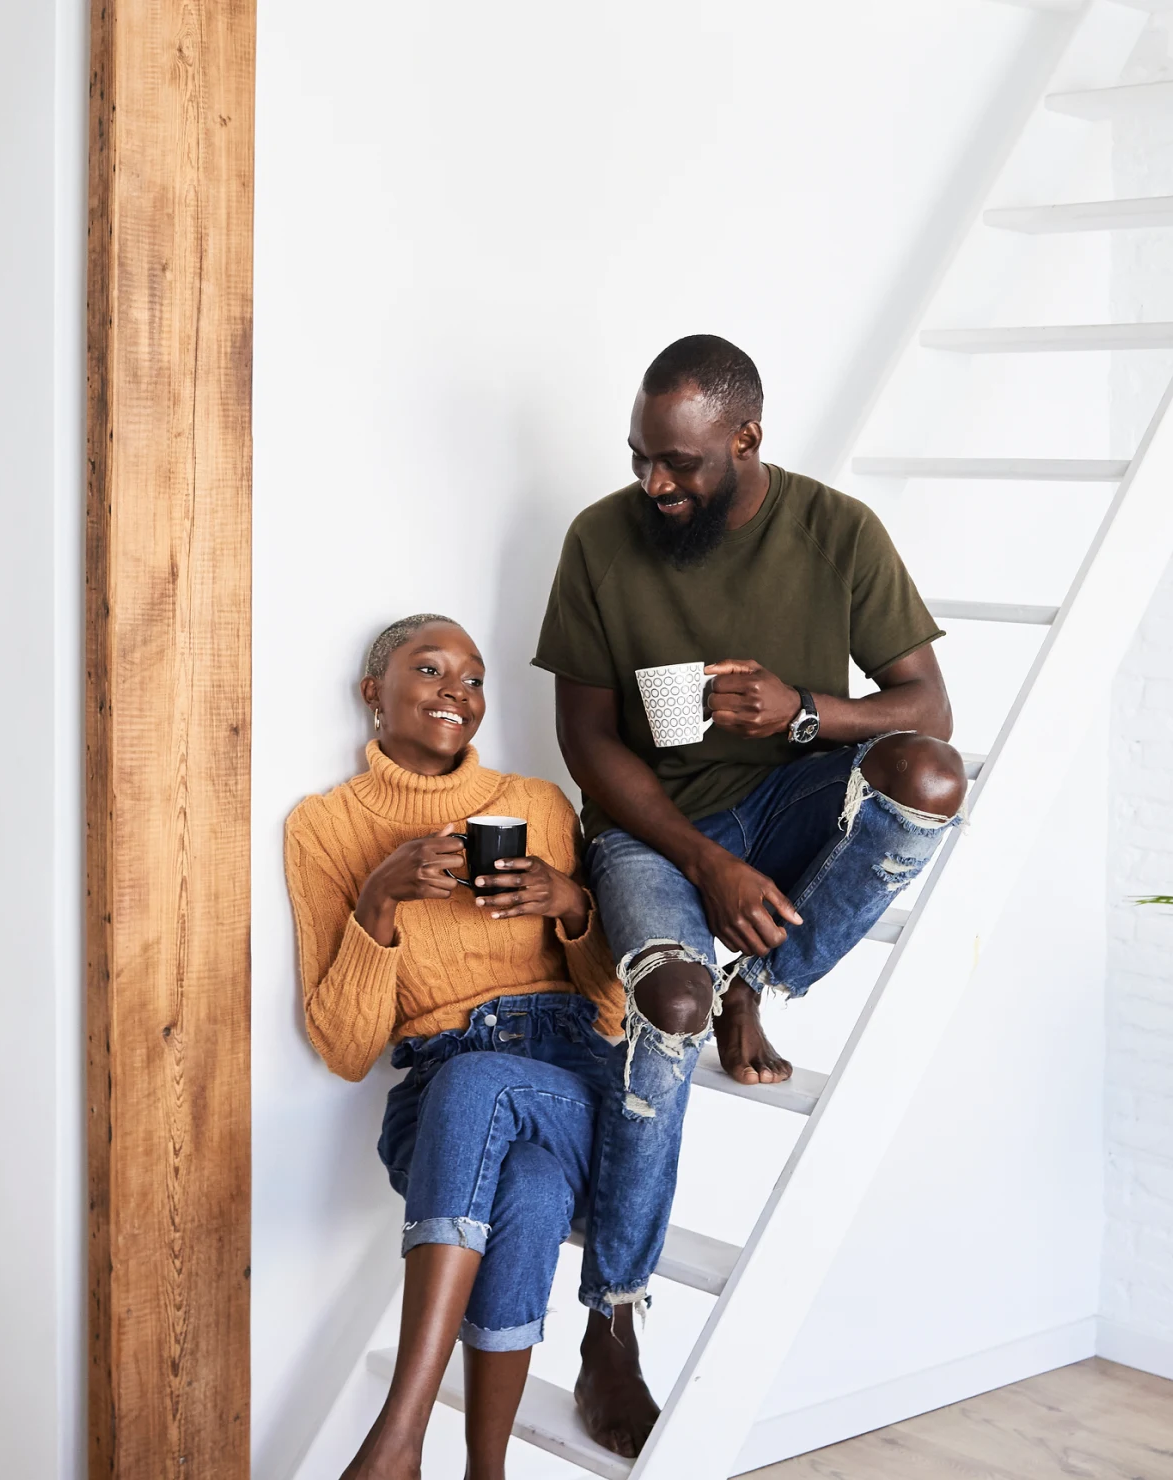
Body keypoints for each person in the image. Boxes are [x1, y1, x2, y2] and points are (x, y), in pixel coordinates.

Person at [530, 335, 969, 1443]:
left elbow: (929, 704)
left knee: (928, 779)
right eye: (640, 458)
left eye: (678, 464)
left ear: (746, 439)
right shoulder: (600, 539)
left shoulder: (835, 531)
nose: (654, 484)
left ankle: (758, 975)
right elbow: (587, 740)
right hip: (651, 829)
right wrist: (704, 860)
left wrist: (805, 713)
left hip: (788, 805)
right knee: (667, 1006)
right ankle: (611, 1323)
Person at [284, 614, 656, 1480]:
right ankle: (485, 1471)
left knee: (483, 1082)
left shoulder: (535, 805)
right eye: (430, 669)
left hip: (568, 1075)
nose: (459, 692)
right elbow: (344, 1048)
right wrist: (379, 899)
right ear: (374, 693)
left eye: (476, 678)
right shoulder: (325, 828)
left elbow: (608, 1003)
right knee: (520, 1187)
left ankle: (396, 1436)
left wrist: (569, 906)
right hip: (437, 1101)